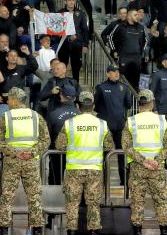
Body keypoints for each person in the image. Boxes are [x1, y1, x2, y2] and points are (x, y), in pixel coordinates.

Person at [56, 91, 114, 235]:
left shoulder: (69, 124)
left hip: (73, 170)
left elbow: (59, 145)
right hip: (94, 170)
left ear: (78, 106)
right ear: (93, 106)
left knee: (72, 203)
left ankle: (71, 231)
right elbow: (109, 146)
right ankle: (93, 230)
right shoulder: (102, 124)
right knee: (93, 203)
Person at [0, 87, 50, 235]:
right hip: (31, 162)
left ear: (14, 100)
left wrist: (15, 153)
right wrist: (31, 152)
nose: (7, 101)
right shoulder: (36, 116)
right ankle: (38, 230)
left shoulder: (5, 117)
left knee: (6, 197)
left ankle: (4, 230)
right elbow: (46, 140)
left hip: (12, 162)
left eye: (9, 99)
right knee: (34, 197)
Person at [122, 89, 167, 235]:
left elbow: (126, 147)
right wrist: (156, 160)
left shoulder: (131, 121)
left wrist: (143, 161)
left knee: (137, 202)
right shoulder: (162, 121)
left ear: (139, 104)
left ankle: (137, 231)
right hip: (157, 168)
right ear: (152, 103)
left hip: (138, 168)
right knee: (160, 201)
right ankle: (164, 231)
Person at [94, 64, 132, 185]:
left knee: (121, 153)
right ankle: (103, 181)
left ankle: (124, 181)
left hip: (120, 125)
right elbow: (97, 105)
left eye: (117, 72)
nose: (116, 73)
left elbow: (128, 104)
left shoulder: (124, 87)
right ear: (108, 73)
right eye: (113, 71)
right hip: (106, 126)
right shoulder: (101, 87)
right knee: (104, 153)